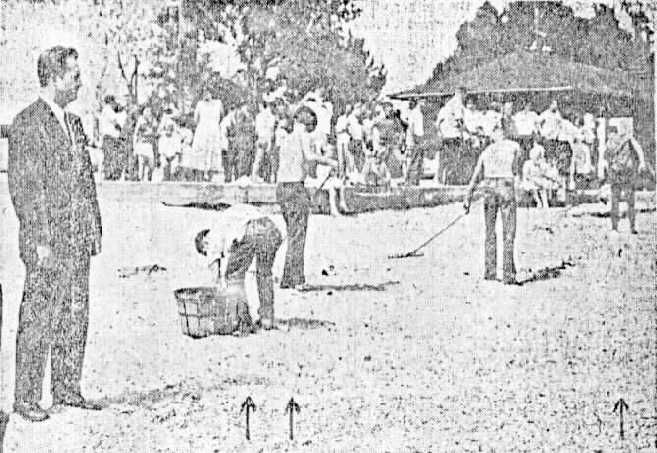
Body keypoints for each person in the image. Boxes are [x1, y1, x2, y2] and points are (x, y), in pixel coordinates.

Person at [8, 46, 103, 422]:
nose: (80, 82)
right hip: (48, 241)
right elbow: (26, 190)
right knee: (38, 315)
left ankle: (66, 388)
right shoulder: (27, 122)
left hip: (78, 237)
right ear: (53, 77)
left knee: (74, 313)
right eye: (74, 75)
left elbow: (86, 180)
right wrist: (41, 240)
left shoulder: (75, 123)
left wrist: (94, 224)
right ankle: (27, 398)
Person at [195, 204, 285, 331]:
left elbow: (214, 270)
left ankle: (243, 321)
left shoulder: (213, 235)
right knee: (264, 274)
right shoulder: (228, 223)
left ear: (204, 242)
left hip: (252, 229)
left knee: (233, 276)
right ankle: (267, 319)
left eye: (205, 252)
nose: (207, 253)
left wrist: (217, 289)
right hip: (271, 229)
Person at [276, 106, 337, 289]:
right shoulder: (302, 136)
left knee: (293, 234)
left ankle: (288, 279)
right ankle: (297, 280)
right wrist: (330, 161)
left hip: (281, 188)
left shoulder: (286, 139)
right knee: (298, 236)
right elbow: (310, 158)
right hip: (295, 187)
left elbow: (303, 166)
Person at [464, 125, 520, 285]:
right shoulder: (513, 147)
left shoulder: (487, 151)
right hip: (505, 185)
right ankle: (508, 274)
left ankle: (490, 271)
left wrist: (468, 197)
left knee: (490, 231)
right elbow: (515, 169)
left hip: (488, 186)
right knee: (508, 233)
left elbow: (476, 176)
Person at [604, 126, 647, 234]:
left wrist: (642, 162)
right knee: (615, 201)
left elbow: (638, 150)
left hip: (627, 173)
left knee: (630, 201)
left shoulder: (628, 139)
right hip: (616, 173)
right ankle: (614, 228)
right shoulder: (610, 143)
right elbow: (606, 157)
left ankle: (632, 227)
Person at [192, 89, 223, 181]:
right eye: (204, 93)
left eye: (208, 92)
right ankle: (200, 177)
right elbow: (196, 119)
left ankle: (211, 176)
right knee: (201, 153)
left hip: (214, 130)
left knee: (213, 152)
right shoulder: (200, 104)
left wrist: (213, 125)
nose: (206, 95)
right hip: (203, 130)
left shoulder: (218, 103)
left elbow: (221, 116)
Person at [99, 94, 124, 180]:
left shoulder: (104, 111)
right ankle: (110, 175)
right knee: (111, 156)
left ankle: (109, 174)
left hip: (106, 137)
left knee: (108, 156)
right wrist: (121, 130)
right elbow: (115, 123)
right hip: (110, 136)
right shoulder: (108, 110)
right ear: (110, 102)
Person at [252, 100, 278, 183]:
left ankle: (254, 176)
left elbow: (256, 131)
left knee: (258, 159)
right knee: (270, 159)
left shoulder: (258, 116)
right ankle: (271, 177)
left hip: (261, 138)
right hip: (268, 138)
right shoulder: (272, 117)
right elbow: (272, 130)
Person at [402, 98, 425, 185]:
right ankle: (411, 182)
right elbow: (415, 130)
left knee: (411, 163)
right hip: (414, 143)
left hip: (412, 142)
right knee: (414, 164)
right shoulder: (417, 114)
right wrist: (418, 143)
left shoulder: (413, 114)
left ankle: (409, 181)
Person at [133, 106, 158, 182]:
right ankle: (141, 180)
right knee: (141, 164)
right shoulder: (141, 120)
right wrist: (135, 146)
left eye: (149, 111)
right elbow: (137, 133)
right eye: (146, 111)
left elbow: (155, 130)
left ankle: (149, 179)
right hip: (142, 144)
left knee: (151, 165)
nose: (148, 113)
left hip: (149, 145)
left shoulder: (153, 120)